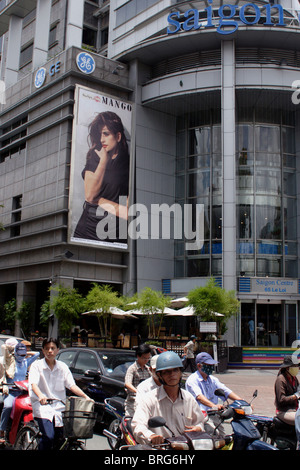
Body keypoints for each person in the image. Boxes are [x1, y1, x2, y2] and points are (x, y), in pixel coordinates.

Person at [74, 111, 130, 243]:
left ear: (118, 136)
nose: (101, 140)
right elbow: (90, 195)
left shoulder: (128, 165)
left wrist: (99, 201)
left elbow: (126, 212)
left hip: (115, 234)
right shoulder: (96, 156)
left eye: (106, 134)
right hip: (86, 231)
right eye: (99, 134)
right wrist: (103, 161)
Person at [28, 337, 92, 450]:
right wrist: (41, 396)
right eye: (47, 348)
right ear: (43, 350)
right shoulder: (36, 366)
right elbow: (34, 384)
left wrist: (86, 397)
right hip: (42, 407)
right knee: (48, 437)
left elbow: (72, 385)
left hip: (59, 407)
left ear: (58, 350)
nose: (50, 351)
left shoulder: (62, 367)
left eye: (53, 348)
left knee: (62, 440)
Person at [131, 351, 205, 445]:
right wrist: (151, 436)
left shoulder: (188, 398)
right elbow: (138, 425)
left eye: (175, 370)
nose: (172, 374)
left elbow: (200, 422)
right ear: (159, 375)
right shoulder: (149, 399)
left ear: (180, 373)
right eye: (166, 372)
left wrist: (198, 428)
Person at [185, 352, 242, 435]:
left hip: (214, 414)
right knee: (214, 434)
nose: (210, 367)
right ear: (199, 365)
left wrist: (242, 401)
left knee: (223, 436)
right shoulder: (192, 380)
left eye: (211, 365)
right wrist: (213, 405)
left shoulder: (212, 379)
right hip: (201, 416)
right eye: (207, 365)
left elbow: (226, 391)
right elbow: (200, 397)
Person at [0, 340, 39, 444]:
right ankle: (2, 430)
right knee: (7, 406)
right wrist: (15, 350)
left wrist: (26, 352)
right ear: (15, 353)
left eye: (23, 354)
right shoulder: (10, 361)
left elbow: (38, 354)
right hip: (11, 392)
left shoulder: (26, 362)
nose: (21, 356)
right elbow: (4, 347)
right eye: (20, 354)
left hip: (22, 394)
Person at [124, 343, 151, 417]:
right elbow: (128, 383)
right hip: (133, 402)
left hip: (145, 402)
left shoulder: (148, 369)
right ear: (138, 356)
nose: (146, 360)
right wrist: (138, 391)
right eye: (144, 358)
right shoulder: (132, 369)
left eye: (148, 358)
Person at [274, 355, 300, 432]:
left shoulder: (294, 379)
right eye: (295, 366)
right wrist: (295, 396)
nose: (297, 368)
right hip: (284, 411)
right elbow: (281, 400)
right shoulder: (281, 380)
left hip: (295, 409)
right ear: (288, 368)